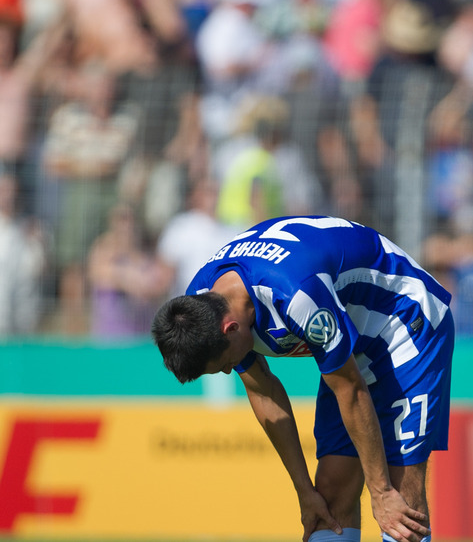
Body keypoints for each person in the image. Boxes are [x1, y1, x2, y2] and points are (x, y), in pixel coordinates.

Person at [150, 215, 453, 542]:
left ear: (231, 328)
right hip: (353, 345)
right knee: (328, 501)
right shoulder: (202, 301)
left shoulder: (295, 296)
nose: (229, 370)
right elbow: (263, 392)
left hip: (406, 326)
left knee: (400, 501)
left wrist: (380, 492)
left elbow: (350, 388)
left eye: (224, 363)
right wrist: (303, 490)